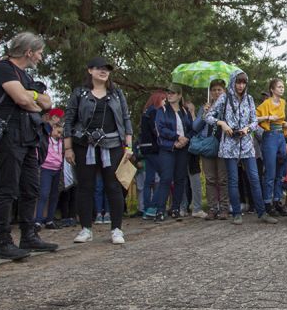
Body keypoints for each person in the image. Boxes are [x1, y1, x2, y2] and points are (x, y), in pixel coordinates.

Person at [0, 32, 57, 259]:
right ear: (28, 52)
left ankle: (28, 235)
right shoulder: (3, 68)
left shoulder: (25, 76)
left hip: (29, 135)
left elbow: (47, 103)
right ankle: (3, 242)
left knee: (31, 187)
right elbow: (22, 100)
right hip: (9, 134)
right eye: (39, 53)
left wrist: (32, 96)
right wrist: (32, 100)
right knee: (8, 188)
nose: (40, 57)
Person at [64, 56, 134, 244]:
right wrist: (68, 147)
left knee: (114, 186)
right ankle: (86, 229)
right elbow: (69, 120)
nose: (103, 71)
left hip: (112, 145)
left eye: (107, 69)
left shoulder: (117, 93)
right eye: (99, 68)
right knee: (85, 187)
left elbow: (126, 119)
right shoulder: (79, 93)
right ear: (90, 70)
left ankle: (117, 229)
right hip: (83, 145)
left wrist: (128, 146)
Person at [205, 69, 279, 225]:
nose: (241, 86)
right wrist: (222, 123)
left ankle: (262, 213)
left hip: (246, 143)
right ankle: (237, 214)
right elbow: (208, 116)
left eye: (244, 82)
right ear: (233, 82)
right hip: (229, 143)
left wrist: (247, 129)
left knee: (254, 178)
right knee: (233, 180)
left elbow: (254, 121)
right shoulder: (224, 98)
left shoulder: (249, 99)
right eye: (238, 82)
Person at [151, 83, 192, 222]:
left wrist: (186, 139)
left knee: (180, 179)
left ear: (179, 95)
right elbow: (160, 128)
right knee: (166, 178)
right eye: (168, 92)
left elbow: (191, 129)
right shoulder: (162, 110)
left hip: (183, 148)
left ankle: (175, 208)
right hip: (168, 148)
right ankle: (160, 211)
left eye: (173, 93)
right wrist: (176, 137)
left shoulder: (185, 111)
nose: (169, 95)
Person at [194, 79, 229, 220]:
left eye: (219, 90)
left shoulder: (228, 106)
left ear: (224, 91)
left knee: (223, 179)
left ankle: (224, 208)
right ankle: (212, 208)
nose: (216, 92)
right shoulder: (205, 107)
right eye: (214, 90)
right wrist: (204, 114)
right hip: (207, 146)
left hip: (223, 145)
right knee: (210, 179)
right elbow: (195, 127)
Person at [257, 78, 287, 216]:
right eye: (279, 87)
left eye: (283, 87)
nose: (282, 89)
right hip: (269, 136)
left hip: (281, 136)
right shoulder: (266, 103)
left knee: (280, 171)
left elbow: (282, 122)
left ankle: (277, 201)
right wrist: (268, 118)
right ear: (272, 89)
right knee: (270, 172)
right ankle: (267, 204)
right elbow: (254, 118)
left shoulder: (283, 102)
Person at [138, 90, 166, 219]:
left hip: (145, 149)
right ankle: (153, 207)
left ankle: (146, 208)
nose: (165, 102)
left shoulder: (145, 112)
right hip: (154, 148)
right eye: (163, 99)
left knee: (148, 180)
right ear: (157, 99)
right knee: (164, 176)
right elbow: (157, 130)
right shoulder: (155, 111)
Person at [35, 123, 64, 229]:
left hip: (58, 169)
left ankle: (49, 220)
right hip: (46, 168)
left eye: (61, 133)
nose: (59, 135)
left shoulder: (61, 142)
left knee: (54, 195)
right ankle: (38, 221)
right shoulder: (45, 140)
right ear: (53, 129)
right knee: (43, 194)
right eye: (58, 132)